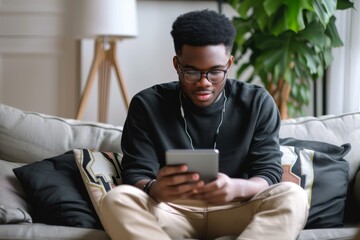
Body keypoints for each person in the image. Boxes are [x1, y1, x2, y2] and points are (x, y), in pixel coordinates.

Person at [100, 9, 308, 240]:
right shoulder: (147, 104)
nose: (203, 83)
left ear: (229, 63)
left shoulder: (257, 102)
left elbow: (268, 173)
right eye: (191, 72)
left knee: (293, 195)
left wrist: (237, 187)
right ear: (176, 64)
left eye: (215, 72)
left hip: (238, 209)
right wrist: (153, 188)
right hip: (170, 211)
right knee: (115, 199)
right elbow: (136, 172)